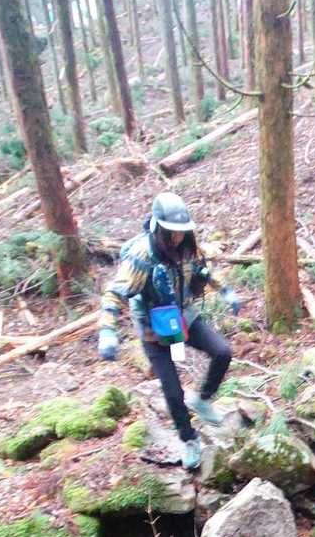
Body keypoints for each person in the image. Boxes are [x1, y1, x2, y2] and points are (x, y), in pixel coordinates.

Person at [98, 192, 241, 470]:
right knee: (173, 392)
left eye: (181, 231)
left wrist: (225, 291)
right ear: (158, 228)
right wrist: (107, 331)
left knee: (222, 352)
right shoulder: (142, 256)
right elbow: (115, 293)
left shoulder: (188, 247)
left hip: (184, 315)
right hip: (154, 328)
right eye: (171, 232)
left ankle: (202, 400)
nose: (177, 237)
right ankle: (189, 439)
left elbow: (203, 271)